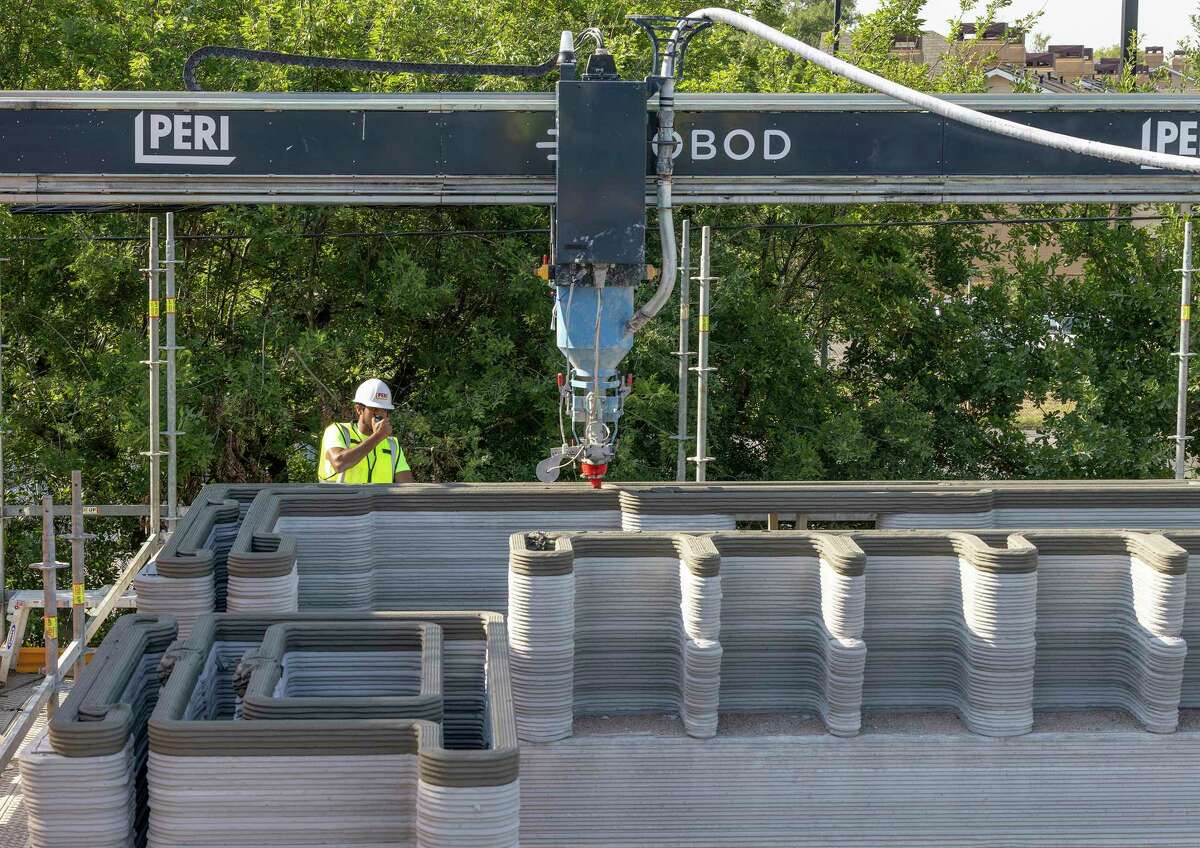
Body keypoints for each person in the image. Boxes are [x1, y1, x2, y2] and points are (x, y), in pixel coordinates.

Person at [318, 378, 415, 483]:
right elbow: (339, 463)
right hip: (337, 499)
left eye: (385, 410)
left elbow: (407, 486)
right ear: (359, 409)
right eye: (374, 408)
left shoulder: (392, 445)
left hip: (377, 500)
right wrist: (378, 436)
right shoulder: (337, 431)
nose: (380, 414)